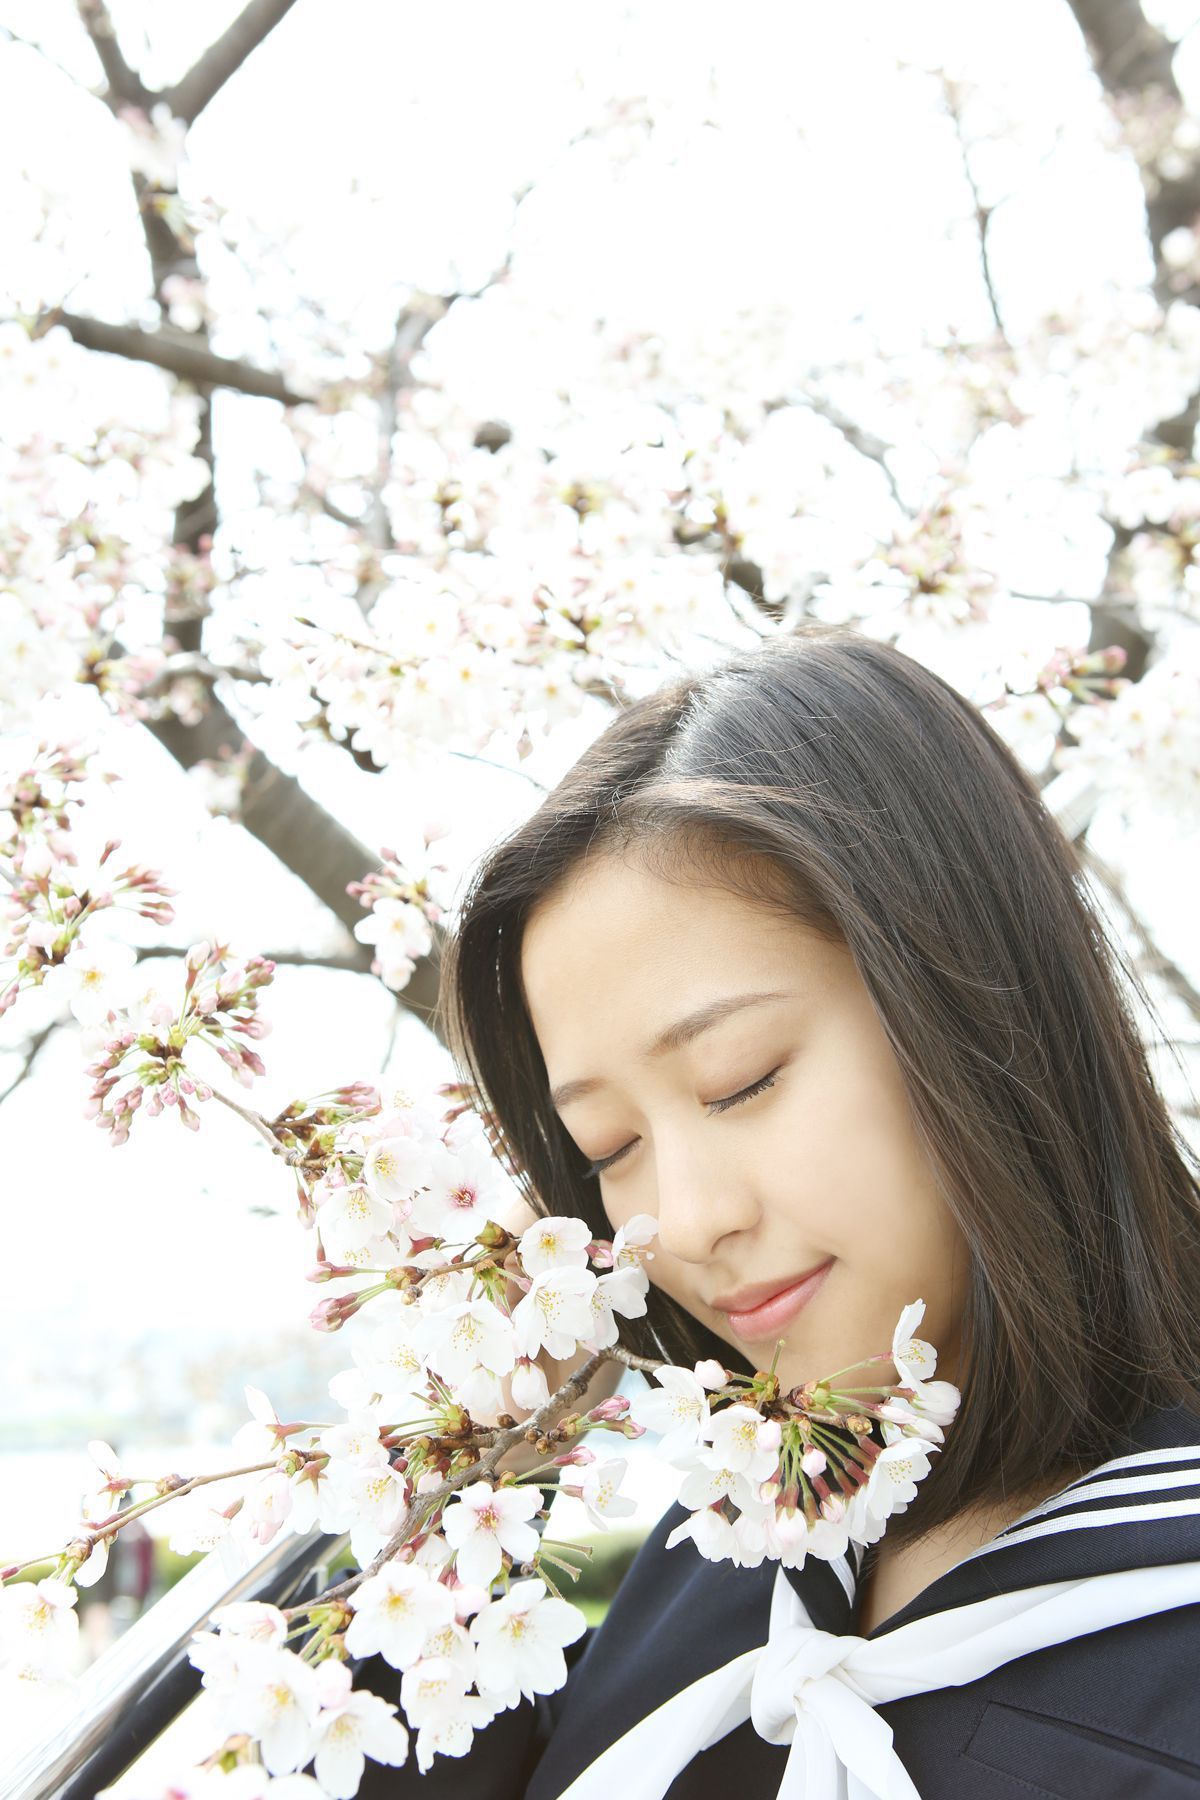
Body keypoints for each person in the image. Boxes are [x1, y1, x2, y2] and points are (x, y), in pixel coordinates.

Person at [361, 623, 1200, 1796]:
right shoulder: (733, 1549)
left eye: (742, 1077)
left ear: (979, 1009)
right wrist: (467, 1485)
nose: (686, 1222)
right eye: (610, 1146)